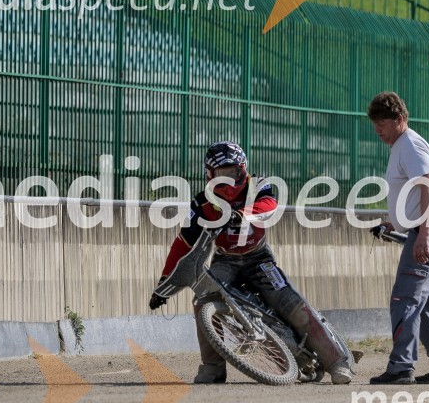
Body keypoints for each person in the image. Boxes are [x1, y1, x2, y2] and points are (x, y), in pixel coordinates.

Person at [149, 141, 353, 385]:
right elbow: (182, 244)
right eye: (222, 174)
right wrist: (164, 283)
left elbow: (270, 206)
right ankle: (212, 368)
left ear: (243, 169)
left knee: (292, 303)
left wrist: (243, 214)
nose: (229, 179)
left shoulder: (259, 185)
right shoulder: (201, 203)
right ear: (209, 174)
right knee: (202, 300)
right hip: (225, 261)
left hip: (259, 259)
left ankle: (337, 363)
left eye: (234, 172)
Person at [367, 91, 429, 385]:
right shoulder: (403, 145)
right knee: (423, 301)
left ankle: (401, 367)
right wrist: (395, 222)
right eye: (375, 126)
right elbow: (416, 194)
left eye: (382, 125)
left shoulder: (409, 144)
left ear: (399, 119)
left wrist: (424, 233)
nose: (378, 132)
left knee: (404, 298)